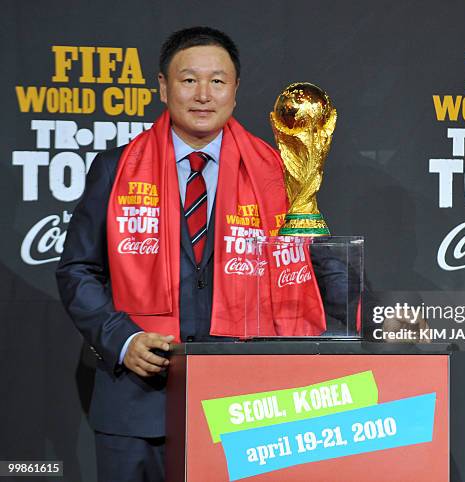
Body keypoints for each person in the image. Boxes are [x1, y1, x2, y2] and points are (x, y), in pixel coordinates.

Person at [56, 26, 327, 482]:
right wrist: (123, 339)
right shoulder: (115, 168)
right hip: (136, 404)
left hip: (245, 403)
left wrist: (379, 316)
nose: (203, 94)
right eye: (188, 80)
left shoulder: (277, 175)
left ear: (236, 91)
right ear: (162, 87)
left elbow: (315, 265)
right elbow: (77, 270)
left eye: (217, 81)